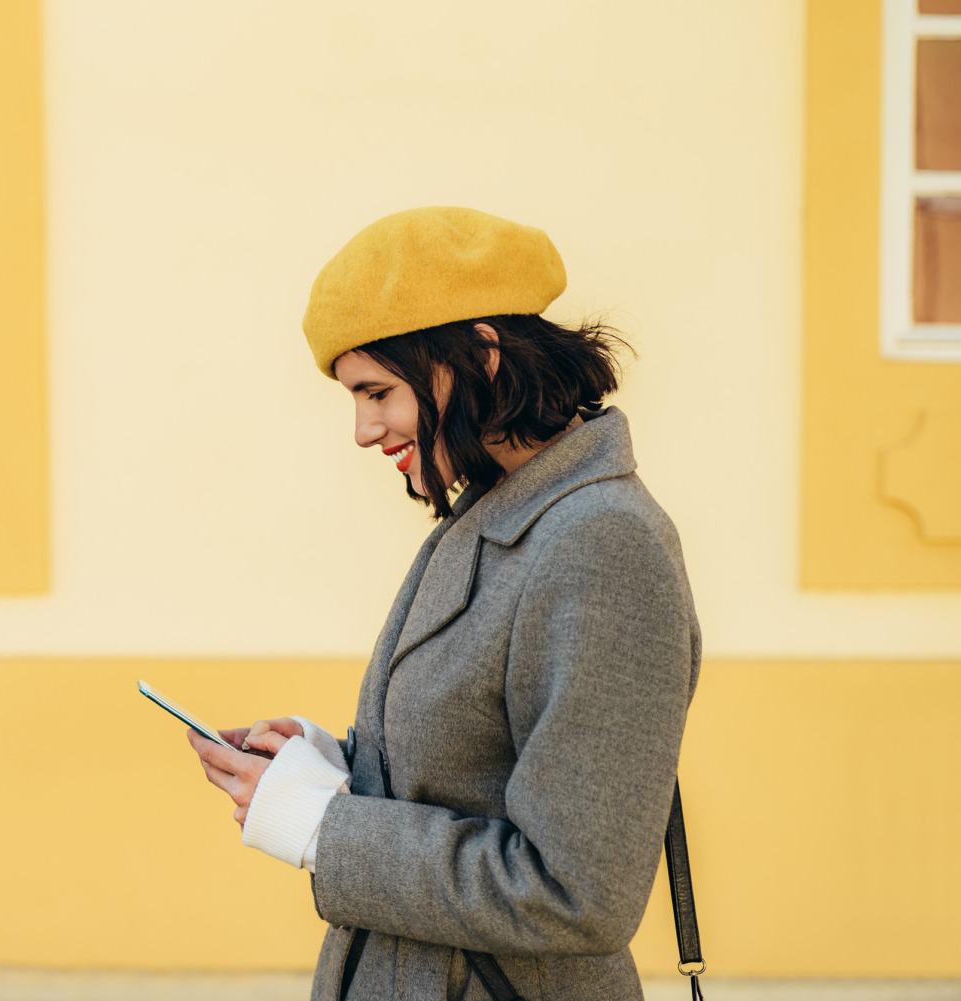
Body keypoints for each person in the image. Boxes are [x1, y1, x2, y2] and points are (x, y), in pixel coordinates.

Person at [187, 207, 701, 1001]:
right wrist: (338, 765)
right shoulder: (497, 516)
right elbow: (476, 768)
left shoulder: (601, 543)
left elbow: (575, 892)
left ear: (482, 358)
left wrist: (325, 825)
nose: (363, 430)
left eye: (377, 391)